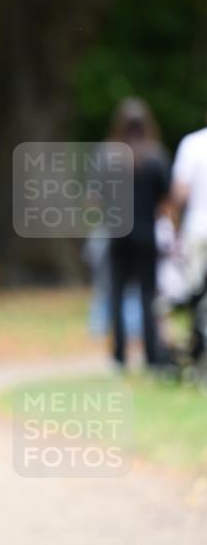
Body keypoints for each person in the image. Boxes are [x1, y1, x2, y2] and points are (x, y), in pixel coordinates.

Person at [107, 98, 171, 370]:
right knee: (147, 295)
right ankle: (151, 356)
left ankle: (119, 357)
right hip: (146, 234)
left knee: (117, 295)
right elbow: (166, 199)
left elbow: (94, 198)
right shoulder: (155, 156)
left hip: (117, 234)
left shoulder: (110, 156)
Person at [171, 114, 207, 364]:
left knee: (197, 294)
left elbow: (179, 192)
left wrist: (173, 227)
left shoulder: (192, 144)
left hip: (197, 228)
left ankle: (199, 352)